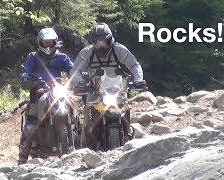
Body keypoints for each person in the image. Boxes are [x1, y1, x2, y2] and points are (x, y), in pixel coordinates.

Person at [70, 22, 147, 148]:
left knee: (126, 109)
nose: (100, 45)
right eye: (97, 42)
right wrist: (81, 83)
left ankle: (127, 132)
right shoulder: (87, 52)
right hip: (94, 91)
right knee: (88, 117)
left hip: (117, 90)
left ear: (110, 39)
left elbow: (134, 65)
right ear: (93, 42)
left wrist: (138, 79)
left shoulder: (119, 50)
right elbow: (74, 70)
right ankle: (84, 145)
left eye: (103, 41)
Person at [18, 27, 73, 165]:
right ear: (40, 43)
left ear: (55, 43)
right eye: (45, 43)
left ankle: (76, 140)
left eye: (50, 43)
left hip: (57, 91)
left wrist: (77, 76)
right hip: (38, 94)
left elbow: (72, 69)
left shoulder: (62, 57)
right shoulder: (33, 57)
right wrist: (26, 78)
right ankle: (22, 160)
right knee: (30, 126)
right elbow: (25, 71)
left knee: (72, 109)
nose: (48, 46)